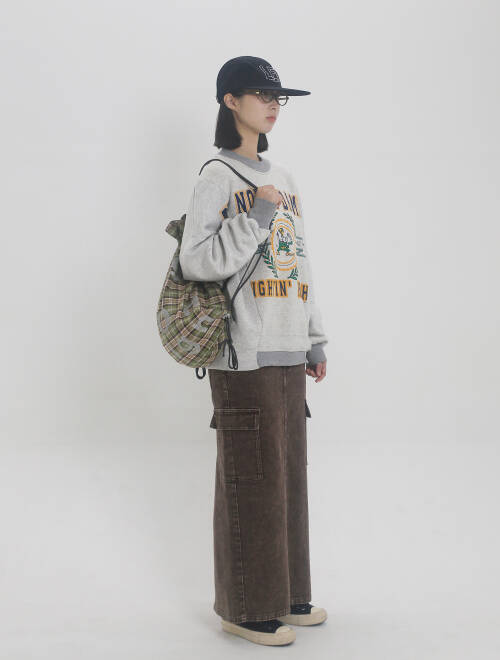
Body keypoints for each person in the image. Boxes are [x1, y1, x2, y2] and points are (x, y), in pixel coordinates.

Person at [179, 56, 329, 646]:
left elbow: (299, 261)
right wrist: (257, 213)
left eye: (277, 97)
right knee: (253, 478)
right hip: (244, 349)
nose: (272, 105)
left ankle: (285, 595)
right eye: (262, 95)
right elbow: (197, 261)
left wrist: (314, 337)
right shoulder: (217, 175)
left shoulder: (283, 175)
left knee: (288, 479)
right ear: (229, 101)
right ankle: (244, 608)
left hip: (288, 345)